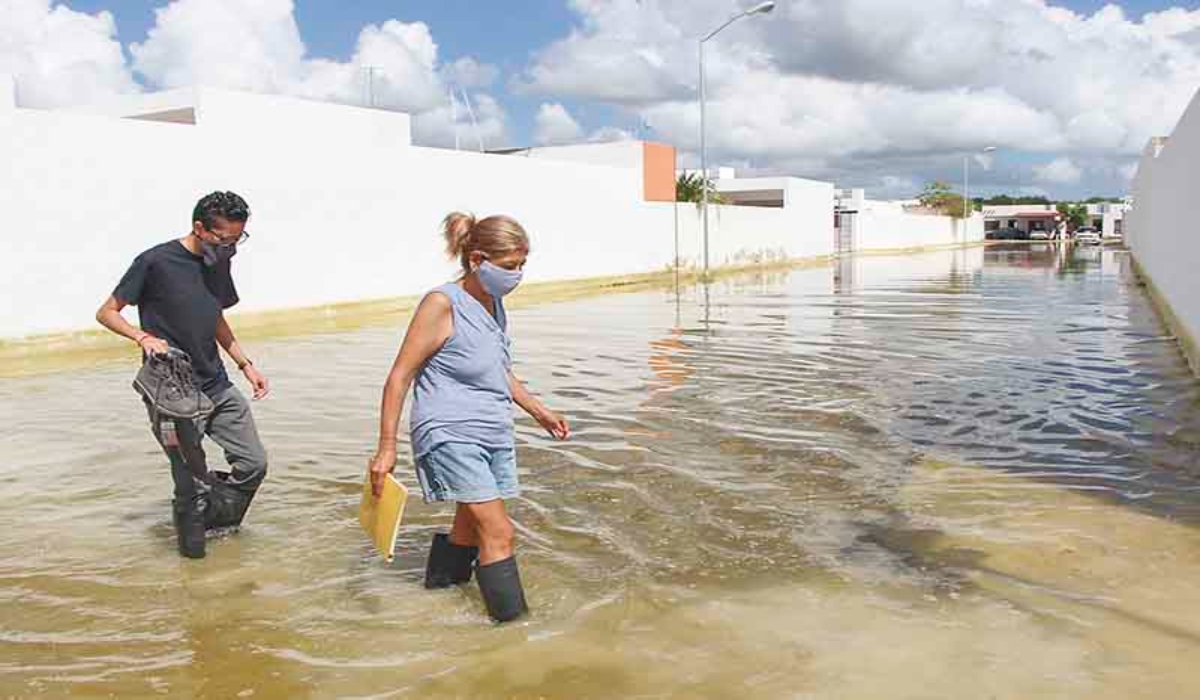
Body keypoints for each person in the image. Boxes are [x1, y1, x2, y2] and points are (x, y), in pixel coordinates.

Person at [368, 212, 569, 623]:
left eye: (522, 265)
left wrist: (538, 410)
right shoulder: (442, 303)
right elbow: (399, 376)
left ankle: (441, 598)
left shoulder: (493, 303)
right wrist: (386, 448)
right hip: (449, 431)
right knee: (500, 531)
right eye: (511, 267)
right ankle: (514, 633)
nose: (518, 275)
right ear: (478, 259)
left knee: (471, 525)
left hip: (491, 428)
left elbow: (494, 367)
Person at [95, 191, 270, 559]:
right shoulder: (155, 262)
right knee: (189, 483)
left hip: (218, 385)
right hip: (172, 391)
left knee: (254, 463)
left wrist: (245, 363)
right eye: (224, 239)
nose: (231, 247)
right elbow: (107, 312)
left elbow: (216, 316)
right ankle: (194, 569)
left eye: (238, 240)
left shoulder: (218, 261)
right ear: (199, 228)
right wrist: (142, 337)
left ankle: (219, 526)